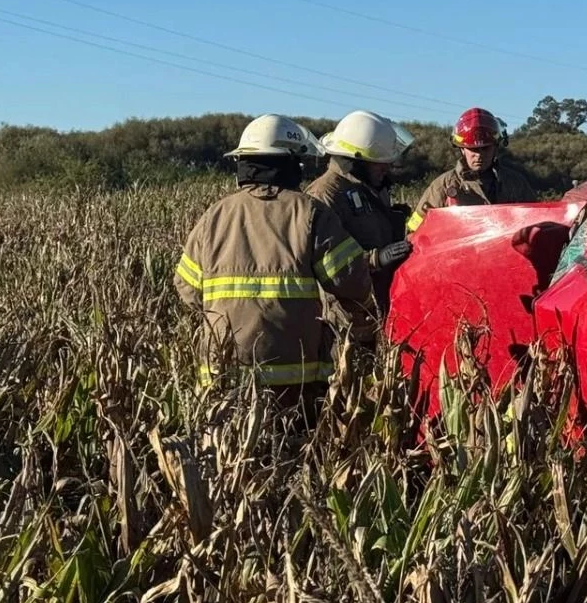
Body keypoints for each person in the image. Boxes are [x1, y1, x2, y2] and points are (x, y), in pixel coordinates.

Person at [174, 114, 376, 425]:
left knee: (231, 461)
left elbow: (187, 289)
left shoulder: (213, 216)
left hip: (222, 373)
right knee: (290, 457)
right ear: (292, 163)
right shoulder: (310, 213)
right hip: (291, 377)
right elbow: (352, 281)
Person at [306, 110, 416, 314]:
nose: (388, 167)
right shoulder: (324, 195)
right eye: (380, 161)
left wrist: (392, 220)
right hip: (345, 319)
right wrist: (376, 259)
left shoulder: (369, 188)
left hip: (377, 310)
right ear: (356, 160)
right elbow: (323, 265)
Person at [408, 107, 539, 232]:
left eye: (485, 148)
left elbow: (538, 222)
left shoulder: (515, 184)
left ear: (495, 147)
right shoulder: (442, 187)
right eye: (473, 149)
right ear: (462, 149)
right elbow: (414, 230)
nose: (479, 155)